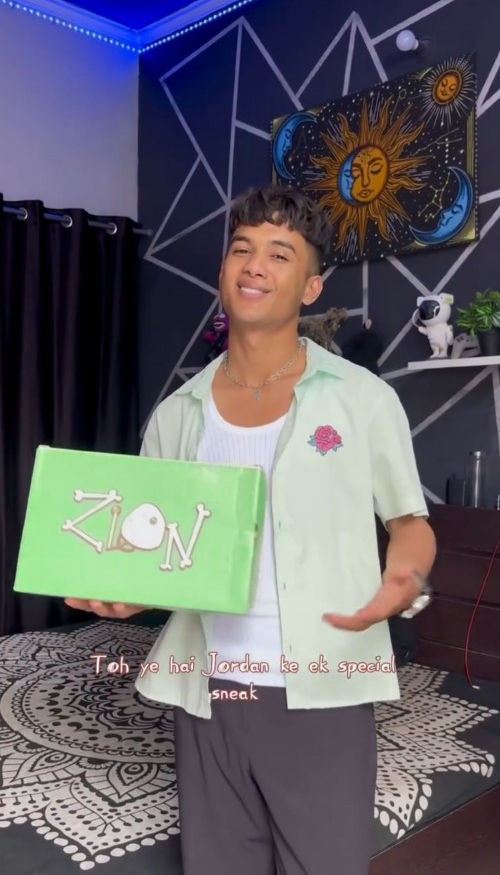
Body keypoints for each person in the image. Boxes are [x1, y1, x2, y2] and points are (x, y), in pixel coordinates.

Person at [66, 184, 436, 875]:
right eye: (242, 249)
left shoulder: (362, 399)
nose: (255, 265)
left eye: (279, 253)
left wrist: (403, 578)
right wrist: (124, 596)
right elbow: (158, 553)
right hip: (207, 690)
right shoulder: (177, 414)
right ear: (223, 271)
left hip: (323, 686)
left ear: (311, 286)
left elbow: (409, 522)